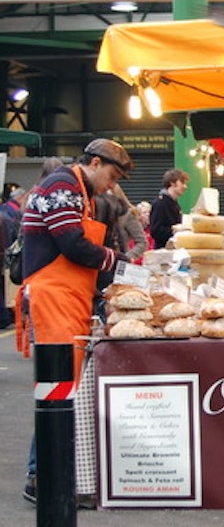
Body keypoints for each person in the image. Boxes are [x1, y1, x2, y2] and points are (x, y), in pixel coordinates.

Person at [17, 138, 134, 503]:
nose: (112, 186)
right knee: (57, 388)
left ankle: (53, 472)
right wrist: (116, 261)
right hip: (53, 297)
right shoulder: (63, 186)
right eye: (112, 176)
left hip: (71, 299)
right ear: (95, 163)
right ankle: (40, 477)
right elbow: (73, 244)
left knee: (64, 388)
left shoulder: (80, 192)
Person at [149, 168, 189, 249]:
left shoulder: (174, 204)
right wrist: (175, 231)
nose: (185, 186)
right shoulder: (160, 204)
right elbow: (155, 231)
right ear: (172, 183)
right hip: (163, 253)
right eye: (182, 182)